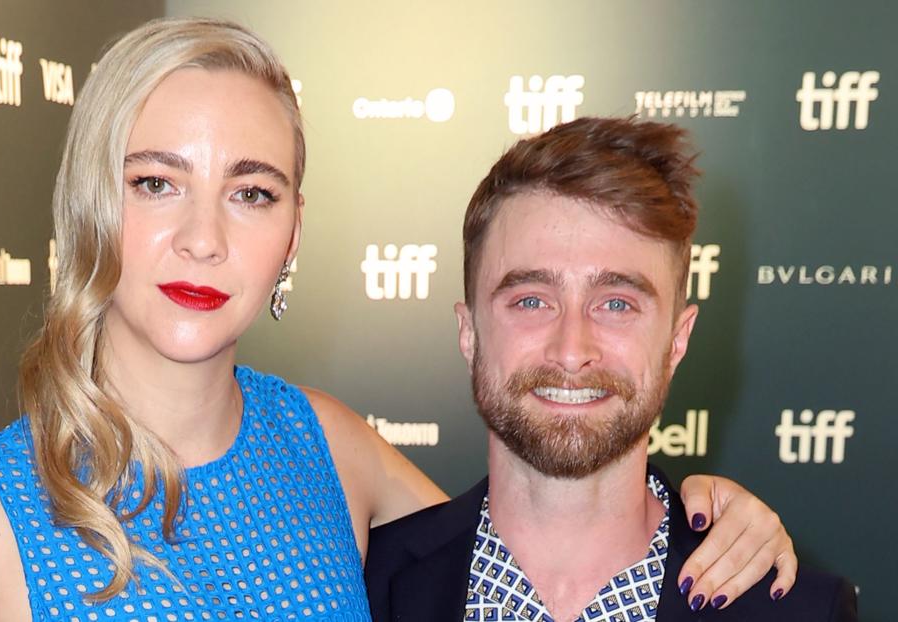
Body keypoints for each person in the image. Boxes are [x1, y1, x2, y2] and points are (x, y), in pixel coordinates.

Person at [0, 18, 801, 621]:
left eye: (251, 192)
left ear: (291, 232)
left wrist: (702, 513)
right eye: (155, 183)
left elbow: (540, 537)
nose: (203, 239)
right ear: (88, 206)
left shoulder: (322, 443)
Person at [364, 117, 858, 621]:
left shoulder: (801, 612)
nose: (573, 350)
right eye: (532, 301)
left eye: (617, 304)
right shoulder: (359, 589)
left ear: (677, 340)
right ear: (469, 333)